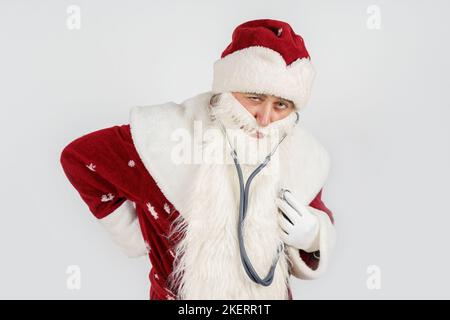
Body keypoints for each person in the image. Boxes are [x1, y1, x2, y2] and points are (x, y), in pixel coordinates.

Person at [60, 18, 336, 300]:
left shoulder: (303, 155)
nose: (264, 119)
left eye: (281, 105)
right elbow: (80, 159)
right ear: (229, 88)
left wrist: (313, 235)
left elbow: (314, 218)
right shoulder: (162, 136)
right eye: (254, 98)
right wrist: (135, 233)